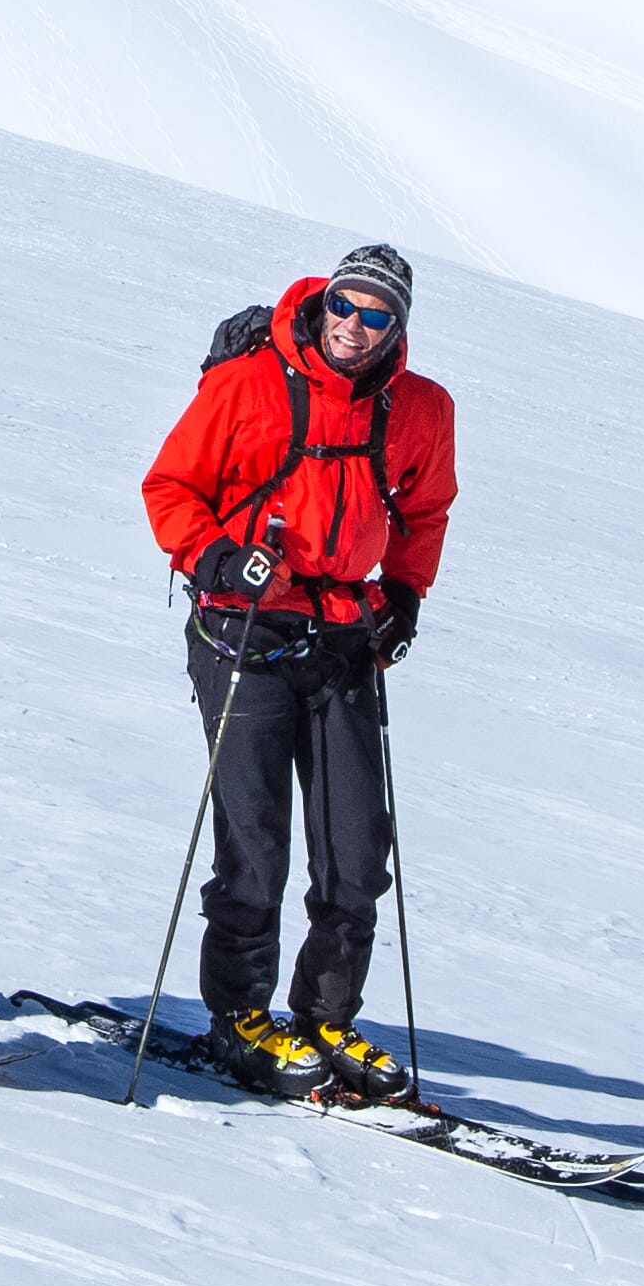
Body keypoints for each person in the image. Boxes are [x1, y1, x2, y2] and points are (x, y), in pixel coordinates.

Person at [137, 241, 456, 1098]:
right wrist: (213, 559)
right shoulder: (247, 383)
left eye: (377, 314)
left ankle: (325, 1020)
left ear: (398, 328)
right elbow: (170, 487)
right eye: (346, 305)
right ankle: (240, 1015)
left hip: (346, 637)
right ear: (323, 303)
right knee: (256, 841)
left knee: (356, 855)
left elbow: (426, 510)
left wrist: (406, 596)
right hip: (244, 633)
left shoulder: (421, 409)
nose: (356, 325)